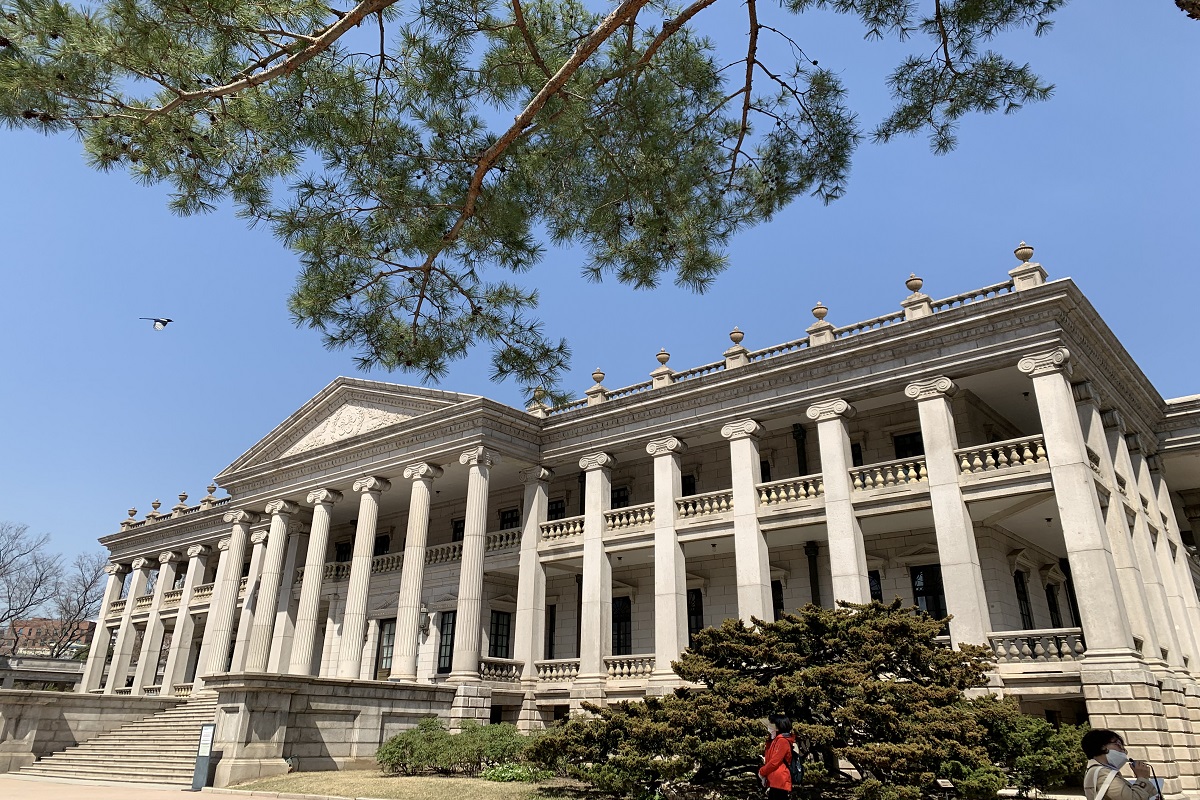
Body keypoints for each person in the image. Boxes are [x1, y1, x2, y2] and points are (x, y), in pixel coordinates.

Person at [1081, 729, 1158, 800]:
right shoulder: (1102, 774)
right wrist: (1142, 778)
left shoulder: (1104, 772)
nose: (1123, 750)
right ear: (1102, 747)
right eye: (1118, 744)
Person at [759, 713, 796, 800]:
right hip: (775, 780)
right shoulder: (775, 740)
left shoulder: (782, 741)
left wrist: (762, 772)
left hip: (779, 780)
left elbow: (774, 762)